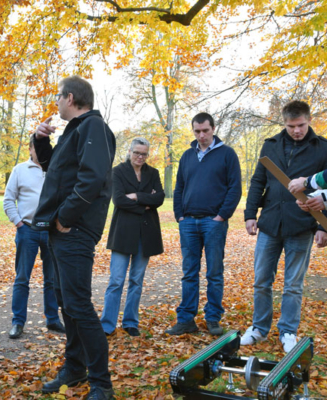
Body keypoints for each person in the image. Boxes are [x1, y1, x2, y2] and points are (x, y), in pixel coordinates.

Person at [32, 76, 116, 400]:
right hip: (59, 231)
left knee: (78, 305)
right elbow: (53, 168)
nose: (56, 102)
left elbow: (92, 178)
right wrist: (40, 140)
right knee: (67, 303)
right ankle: (75, 368)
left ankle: (101, 383)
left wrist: (66, 217)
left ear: (70, 97)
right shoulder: (75, 131)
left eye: (58, 97)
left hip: (75, 230)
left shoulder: (93, 127)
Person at [242, 100, 327, 353]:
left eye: (300, 125)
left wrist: (324, 226)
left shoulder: (322, 148)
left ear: (309, 120)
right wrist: (250, 214)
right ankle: (259, 328)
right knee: (261, 281)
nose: (296, 131)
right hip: (269, 223)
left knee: (293, 284)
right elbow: (258, 181)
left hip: (302, 225)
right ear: (284, 123)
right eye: (291, 126)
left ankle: (288, 331)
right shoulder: (271, 145)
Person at [166, 112, 242, 336]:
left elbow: (235, 188)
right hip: (188, 222)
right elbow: (179, 187)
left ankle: (212, 318)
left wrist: (221, 216)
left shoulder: (227, 154)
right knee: (189, 272)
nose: (201, 135)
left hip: (213, 222)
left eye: (205, 131)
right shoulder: (187, 156)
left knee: (214, 273)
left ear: (213, 129)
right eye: (197, 131)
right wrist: (180, 215)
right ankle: (186, 319)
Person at [101, 137, 164, 337]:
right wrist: (146, 202)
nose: (140, 157)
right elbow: (118, 200)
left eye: (144, 154)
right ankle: (107, 324)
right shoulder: (118, 171)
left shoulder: (152, 173)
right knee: (116, 280)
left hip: (146, 234)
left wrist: (136, 196)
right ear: (129, 152)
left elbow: (159, 198)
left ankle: (130, 322)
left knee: (136, 280)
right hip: (123, 232)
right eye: (137, 152)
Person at [3, 137, 64, 339]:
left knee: (52, 278)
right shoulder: (20, 170)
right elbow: (8, 199)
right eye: (35, 147)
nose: (39, 150)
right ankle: (18, 322)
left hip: (51, 231)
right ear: (30, 149)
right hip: (27, 230)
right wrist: (19, 224)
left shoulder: (55, 170)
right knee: (22, 278)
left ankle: (53, 319)